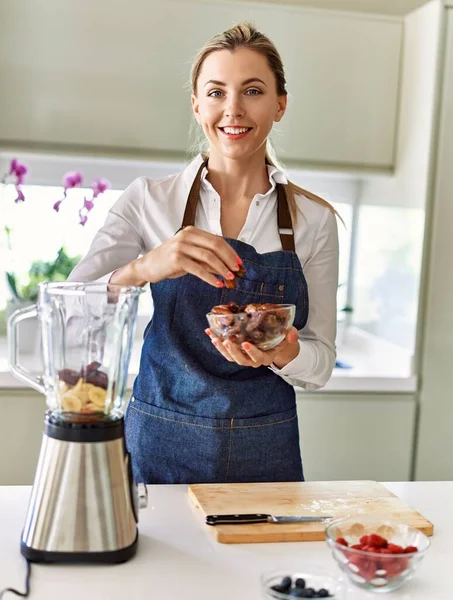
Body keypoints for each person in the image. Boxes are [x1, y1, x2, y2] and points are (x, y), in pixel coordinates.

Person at [68, 22, 339, 484]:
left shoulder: (314, 220)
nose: (232, 109)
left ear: (280, 105)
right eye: (216, 92)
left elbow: (322, 362)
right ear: (197, 105)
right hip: (159, 444)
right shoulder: (148, 201)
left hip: (265, 450)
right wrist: (143, 268)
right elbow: (70, 314)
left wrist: (283, 351)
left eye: (252, 90)